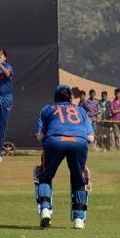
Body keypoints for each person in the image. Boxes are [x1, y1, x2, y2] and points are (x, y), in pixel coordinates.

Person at [33, 85, 94, 229]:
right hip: (79, 141)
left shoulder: (47, 109)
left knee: (44, 176)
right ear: (70, 97)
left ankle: (45, 209)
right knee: (79, 179)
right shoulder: (81, 110)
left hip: (55, 141)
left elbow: (40, 136)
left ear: (55, 96)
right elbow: (91, 137)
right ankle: (79, 219)